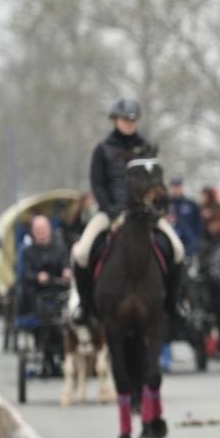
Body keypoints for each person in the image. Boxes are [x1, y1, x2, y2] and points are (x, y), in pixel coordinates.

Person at [69, 98, 185, 324]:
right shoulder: (103, 149)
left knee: (178, 249)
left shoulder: (146, 148)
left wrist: (156, 208)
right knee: (81, 253)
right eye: (125, 120)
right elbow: (97, 184)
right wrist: (112, 211)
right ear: (115, 120)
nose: (130, 123)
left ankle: (173, 304)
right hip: (111, 212)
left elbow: (155, 181)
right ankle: (85, 306)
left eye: (133, 120)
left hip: (145, 215)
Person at [18, 215, 71, 316]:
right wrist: (37, 277)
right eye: (38, 229)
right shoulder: (27, 251)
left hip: (57, 287)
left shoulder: (60, 248)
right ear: (33, 232)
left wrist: (66, 270)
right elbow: (26, 272)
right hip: (37, 290)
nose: (41, 231)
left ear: (50, 229)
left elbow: (65, 264)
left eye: (44, 228)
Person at [167, 176, 204, 261]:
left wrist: (196, 240)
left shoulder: (191, 204)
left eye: (178, 186)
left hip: (188, 242)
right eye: (174, 187)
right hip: (171, 239)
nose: (176, 189)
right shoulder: (166, 204)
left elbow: (198, 224)